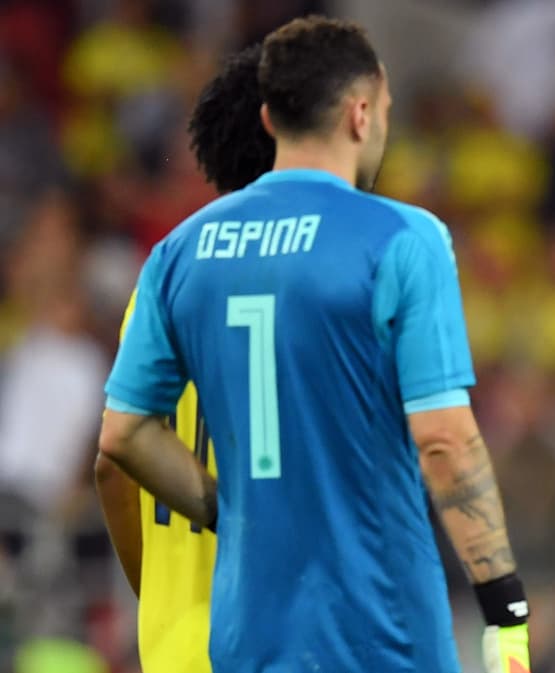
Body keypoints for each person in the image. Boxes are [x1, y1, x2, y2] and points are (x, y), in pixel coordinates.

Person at [97, 16, 530, 673]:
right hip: (347, 634)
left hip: (197, 643)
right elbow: (442, 438)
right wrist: (504, 606)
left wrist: (186, 562)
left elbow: (115, 455)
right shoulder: (379, 248)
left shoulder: (172, 270)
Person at [93, 43, 274, 673]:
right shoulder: (329, 282)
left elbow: (112, 466)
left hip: (175, 651)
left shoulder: (163, 278)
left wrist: (163, 607)